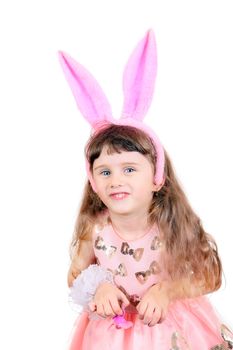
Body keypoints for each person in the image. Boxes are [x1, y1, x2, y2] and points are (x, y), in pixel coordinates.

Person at [59, 29, 233, 349]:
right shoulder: (95, 228)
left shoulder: (170, 224)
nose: (116, 180)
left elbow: (209, 274)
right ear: (94, 183)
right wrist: (98, 289)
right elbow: (75, 275)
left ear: (157, 177)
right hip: (111, 335)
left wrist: (166, 290)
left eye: (129, 169)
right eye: (105, 172)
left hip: (174, 330)